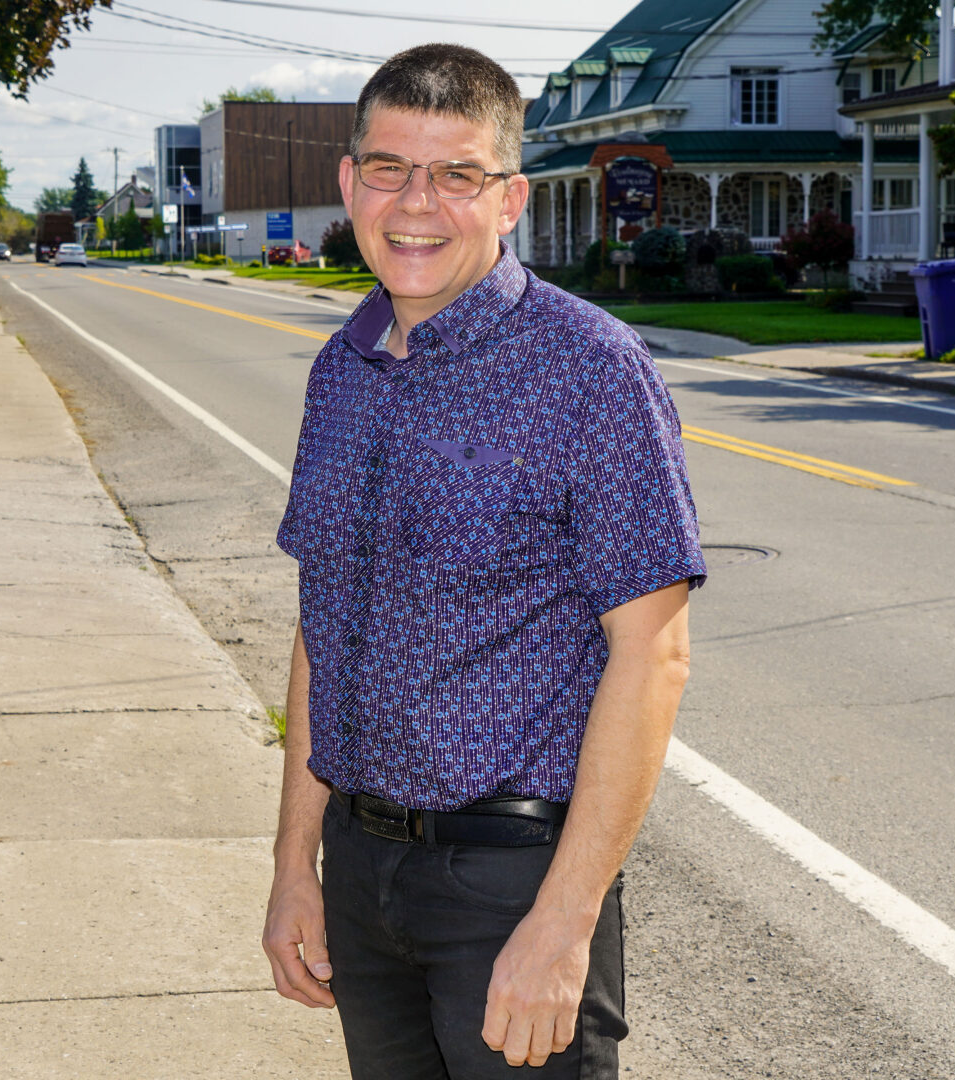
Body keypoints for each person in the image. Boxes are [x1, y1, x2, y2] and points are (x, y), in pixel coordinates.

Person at [263, 43, 706, 1079]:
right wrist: (295, 866)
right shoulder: (341, 372)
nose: (417, 202)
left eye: (456, 174)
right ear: (350, 183)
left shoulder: (592, 370)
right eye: (389, 168)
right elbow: (320, 628)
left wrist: (565, 920)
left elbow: (655, 658)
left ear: (508, 200)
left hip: (512, 884)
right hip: (362, 875)